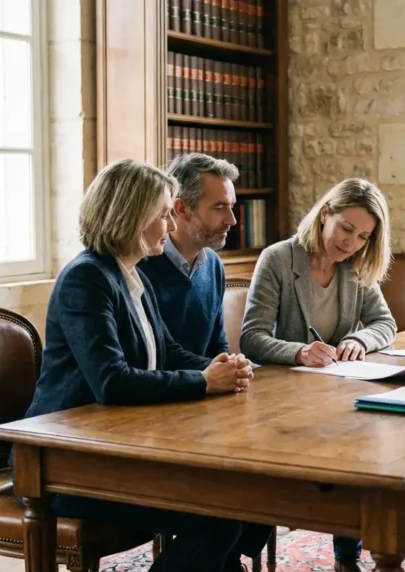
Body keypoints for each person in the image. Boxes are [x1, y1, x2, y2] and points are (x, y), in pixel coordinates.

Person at [19, 158, 272, 572]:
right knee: (220, 514)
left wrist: (225, 366)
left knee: (239, 501)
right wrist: (204, 381)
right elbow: (112, 382)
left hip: (112, 447)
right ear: (132, 216)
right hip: (66, 464)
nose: (170, 227)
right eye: (161, 215)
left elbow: (167, 351)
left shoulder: (128, 271)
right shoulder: (87, 278)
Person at [239, 178, 405, 572]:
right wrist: (299, 352)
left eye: (363, 236)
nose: (352, 243)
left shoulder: (356, 265)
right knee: (358, 446)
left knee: (378, 434)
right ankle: (402, 528)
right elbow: (251, 338)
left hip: (336, 388)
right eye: (345, 229)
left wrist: (359, 337)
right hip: (284, 401)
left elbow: (384, 323)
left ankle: (371, 543)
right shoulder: (278, 259)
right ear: (325, 214)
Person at [138, 152, 238, 359]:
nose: (232, 220)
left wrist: (231, 367)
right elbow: (159, 357)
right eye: (220, 207)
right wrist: (211, 374)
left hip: (205, 385)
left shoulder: (213, 265)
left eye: (232, 207)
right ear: (181, 208)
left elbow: (217, 345)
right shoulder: (139, 266)